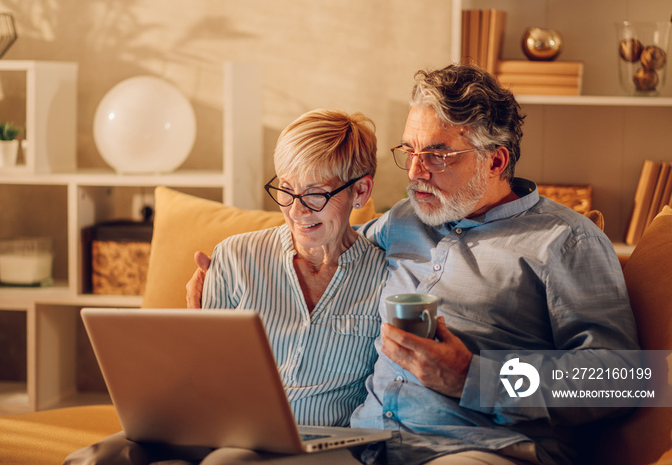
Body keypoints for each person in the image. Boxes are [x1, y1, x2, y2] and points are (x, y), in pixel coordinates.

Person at [187, 64, 639, 465]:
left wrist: (475, 378)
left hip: (477, 448)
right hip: (366, 445)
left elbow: (625, 379)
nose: (415, 172)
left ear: (495, 160)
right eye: (410, 152)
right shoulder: (407, 217)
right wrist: (225, 291)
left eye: (438, 156)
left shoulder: (566, 240)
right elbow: (328, 240)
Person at [64, 108, 388, 465]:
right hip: (220, 428)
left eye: (315, 195)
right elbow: (198, 375)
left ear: (361, 190)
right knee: (101, 457)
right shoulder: (236, 256)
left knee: (228, 463)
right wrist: (192, 335)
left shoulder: (387, 276)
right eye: (286, 189)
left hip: (323, 444)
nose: (296, 210)